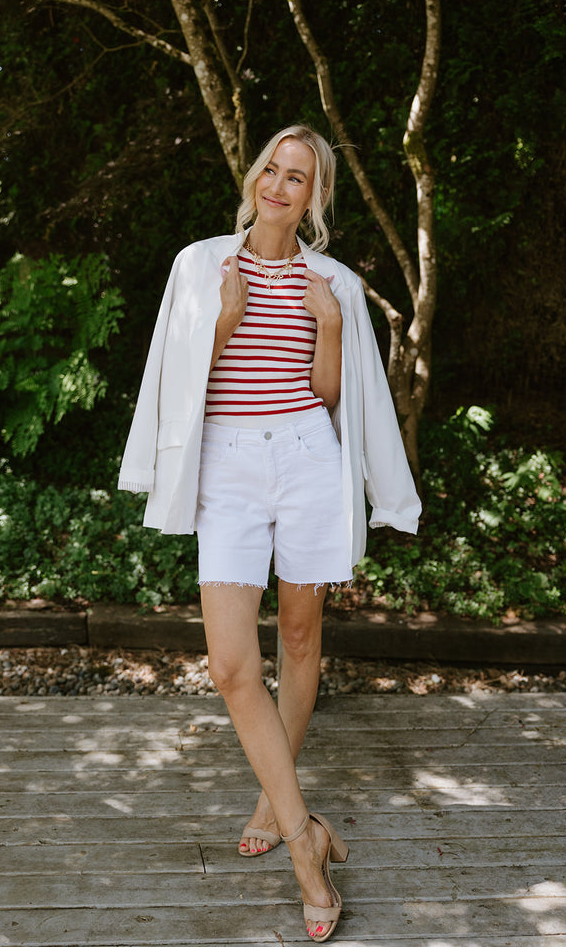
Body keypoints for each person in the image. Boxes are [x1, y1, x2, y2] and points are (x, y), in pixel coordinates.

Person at [118, 124, 421, 941]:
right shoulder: (199, 264)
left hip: (306, 458)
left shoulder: (335, 283)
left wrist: (326, 325)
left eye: (298, 178)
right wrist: (224, 318)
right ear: (255, 179)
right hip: (229, 464)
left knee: (296, 636)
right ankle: (304, 841)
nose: (279, 187)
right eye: (272, 171)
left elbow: (331, 395)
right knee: (228, 664)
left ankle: (269, 799)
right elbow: (181, 378)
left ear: (315, 197)